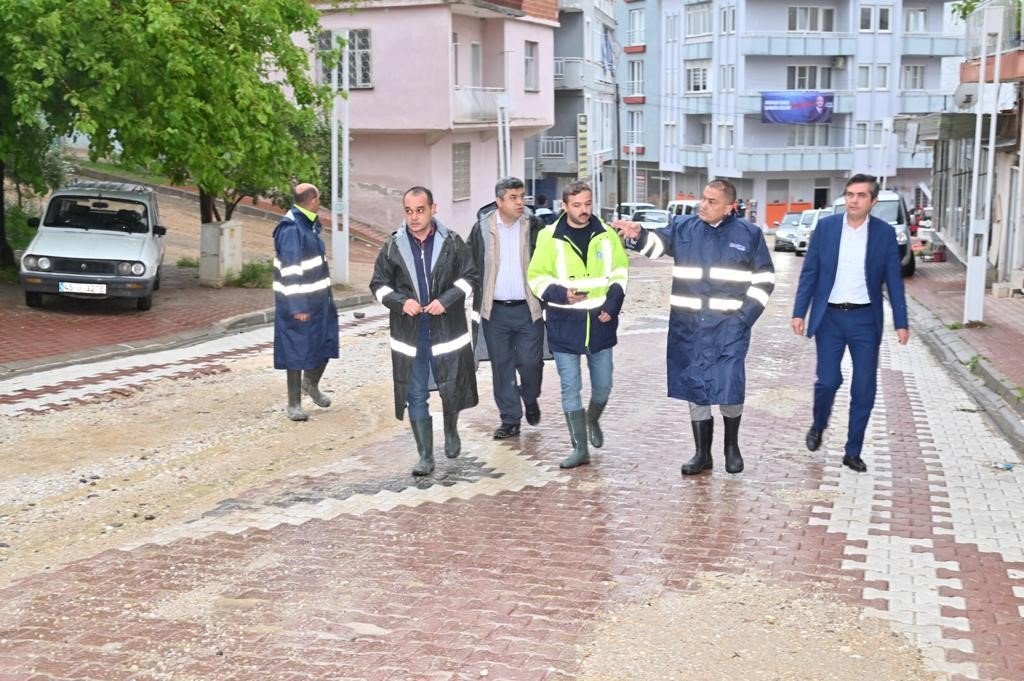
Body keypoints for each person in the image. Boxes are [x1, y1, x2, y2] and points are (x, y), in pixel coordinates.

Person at [614, 179, 775, 476]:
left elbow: (764, 279)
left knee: (729, 385)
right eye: (703, 198)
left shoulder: (749, 234)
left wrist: (744, 318)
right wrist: (638, 235)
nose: (704, 205)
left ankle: (731, 446)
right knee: (695, 386)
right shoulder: (684, 227)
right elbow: (657, 245)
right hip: (689, 327)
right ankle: (702, 454)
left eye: (712, 201)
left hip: (729, 328)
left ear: (729, 207)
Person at [791, 173, 910, 473]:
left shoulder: (883, 233)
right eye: (850, 194)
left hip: (865, 321)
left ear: (873, 201)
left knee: (864, 387)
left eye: (861, 195)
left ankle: (853, 451)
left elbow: (894, 280)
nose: (853, 200)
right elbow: (810, 273)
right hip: (829, 319)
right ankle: (819, 424)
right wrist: (799, 312)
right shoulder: (827, 228)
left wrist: (901, 321)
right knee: (828, 380)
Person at [370, 186, 479, 476]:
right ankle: (425, 456)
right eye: (409, 211)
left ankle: (451, 429)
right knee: (415, 393)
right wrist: (399, 302)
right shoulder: (392, 246)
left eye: (420, 210)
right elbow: (378, 285)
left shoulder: (452, 242)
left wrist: (447, 300)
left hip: (447, 331)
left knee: (451, 386)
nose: (414, 217)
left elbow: (470, 277)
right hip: (410, 335)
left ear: (433, 209)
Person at [527, 181, 629, 469]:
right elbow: (536, 277)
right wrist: (562, 294)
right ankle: (579, 448)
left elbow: (620, 272)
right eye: (577, 205)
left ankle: (592, 419)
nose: (583, 210)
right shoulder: (548, 237)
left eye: (587, 204)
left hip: (600, 322)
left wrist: (612, 305)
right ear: (564, 206)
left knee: (603, 386)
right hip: (564, 323)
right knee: (570, 387)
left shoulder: (607, 234)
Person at [468, 177, 547, 440]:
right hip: (495, 312)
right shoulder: (482, 229)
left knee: (531, 363)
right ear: (499, 201)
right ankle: (510, 419)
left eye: (522, 196)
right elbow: (468, 264)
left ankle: (530, 397)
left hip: (529, 309)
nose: (520, 202)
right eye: (513, 198)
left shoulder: (535, 226)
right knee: (502, 367)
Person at [272, 183, 338, 422]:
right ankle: (294, 404)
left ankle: (310, 383)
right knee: (296, 350)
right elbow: (291, 270)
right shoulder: (292, 229)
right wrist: (297, 306)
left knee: (326, 342)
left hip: (319, 301)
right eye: (319, 198)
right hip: (298, 304)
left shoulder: (308, 223)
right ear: (313, 200)